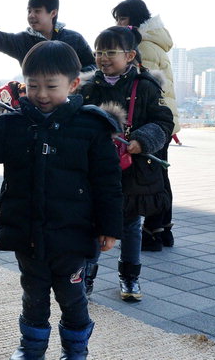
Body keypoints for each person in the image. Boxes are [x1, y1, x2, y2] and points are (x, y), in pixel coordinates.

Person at [0, 41, 123, 359]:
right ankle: (31, 347)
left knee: (72, 296)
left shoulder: (91, 127)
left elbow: (108, 183)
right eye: (33, 85)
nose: (42, 94)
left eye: (51, 86)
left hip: (74, 234)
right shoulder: (15, 122)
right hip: (27, 233)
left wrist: (110, 227)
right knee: (33, 295)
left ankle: (76, 350)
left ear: (73, 84)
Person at [79, 26, 174, 301]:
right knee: (93, 223)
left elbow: (164, 121)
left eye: (110, 52)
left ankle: (130, 278)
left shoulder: (145, 86)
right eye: (98, 52)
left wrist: (142, 141)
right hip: (94, 170)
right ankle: (86, 277)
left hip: (131, 169)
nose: (102, 58)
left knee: (131, 225)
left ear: (130, 55)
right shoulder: (86, 87)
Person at [113, 0, 179, 251]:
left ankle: (153, 233)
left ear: (134, 18)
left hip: (154, 122)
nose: (118, 24)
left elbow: (141, 89)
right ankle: (162, 231)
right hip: (163, 119)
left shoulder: (145, 46)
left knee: (152, 178)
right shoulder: (154, 42)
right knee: (159, 175)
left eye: (122, 18)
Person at [0, 0, 96, 72]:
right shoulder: (23, 41)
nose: (31, 16)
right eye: (29, 11)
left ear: (53, 13)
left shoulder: (74, 38)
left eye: (37, 11)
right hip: (37, 104)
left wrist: (72, 78)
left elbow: (93, 66)